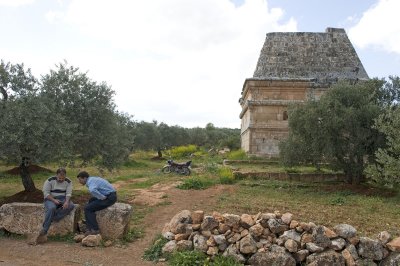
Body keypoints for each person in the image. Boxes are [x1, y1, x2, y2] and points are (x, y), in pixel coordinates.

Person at [77, 171, 117, 236]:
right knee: (91, 200)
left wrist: (102, 197)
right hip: (110, 195)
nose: (79, 181)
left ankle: (95, 229)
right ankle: (89, 225)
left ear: (84, 178)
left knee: (87, 208)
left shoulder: (90, 182)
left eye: (80, 179)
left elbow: (92, 190)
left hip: (110, 198)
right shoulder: (92, 179)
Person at [40, 167, 74, 236]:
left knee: (71, 205)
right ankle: (45, 229)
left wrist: (67, 202)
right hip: (50, 199)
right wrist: (54, 200)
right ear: (56, 175)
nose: (61, 180)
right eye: (59, 178)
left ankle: (53, 218)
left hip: (63, 198)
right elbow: (46, 194)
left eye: (63, 178)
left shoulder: (68, 181)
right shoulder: (49, 181)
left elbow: (68, 193)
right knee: (52, 208)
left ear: (65, 176)